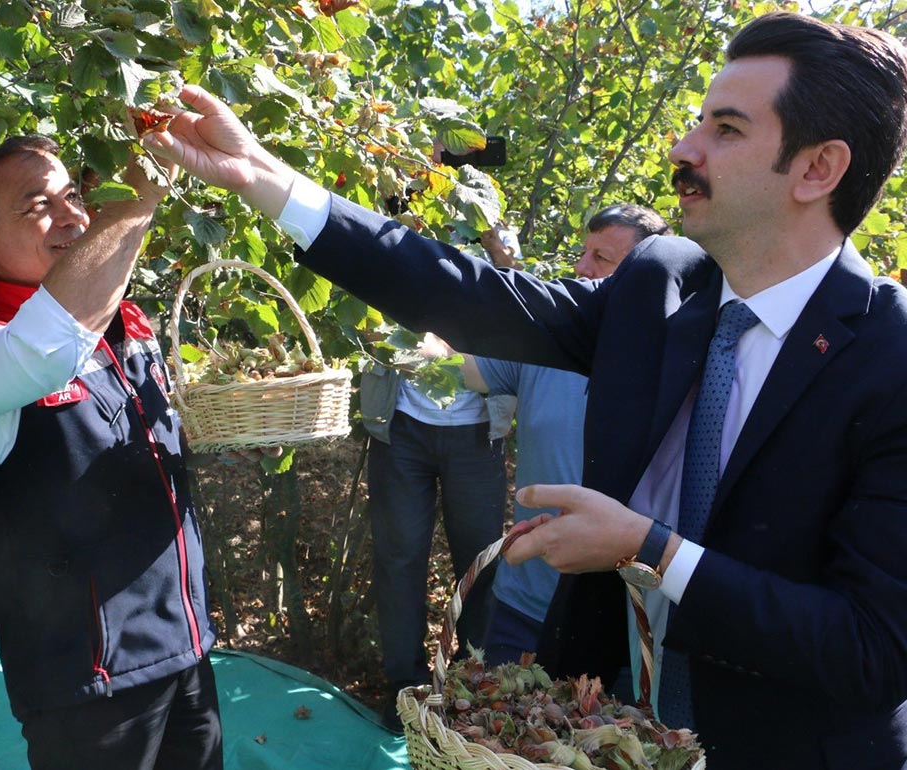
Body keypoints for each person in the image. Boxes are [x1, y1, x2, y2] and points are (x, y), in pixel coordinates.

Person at [141, 12, 907, 768]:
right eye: (696, 121)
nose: (684, 149)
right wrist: (268, 181)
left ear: (818, 169)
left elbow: (873, 652)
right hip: (603, 739)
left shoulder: (890, 355)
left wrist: (650, 550)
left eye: (727, 130)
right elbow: (475, 296)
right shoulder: (661, 286)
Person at [0, 137, 221, 770]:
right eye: (39, 206)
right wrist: (144, 185)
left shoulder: (128, 326)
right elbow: (50, 344)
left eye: (76, 196)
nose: (74, 218)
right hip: (88, 679)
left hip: (184, 645)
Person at [457, 206, 669, 667]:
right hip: (522, 606)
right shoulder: (550, 342)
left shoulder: (670, 364)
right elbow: (465, 369)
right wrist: (402, 332)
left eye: (600, 258)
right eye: (583, 252)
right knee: (494, 731)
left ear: (644, 279)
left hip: (617, 617)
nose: (581, 268)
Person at [358, 225, 518, 731]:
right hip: (401, 432)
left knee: (478, 560)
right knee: (400, 555)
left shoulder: (490, 233)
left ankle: (467, 685)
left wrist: (504, 253)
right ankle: (405, 689)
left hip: (475, 436)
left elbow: (524, 318)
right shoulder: (402, 220)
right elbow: (365, 313)